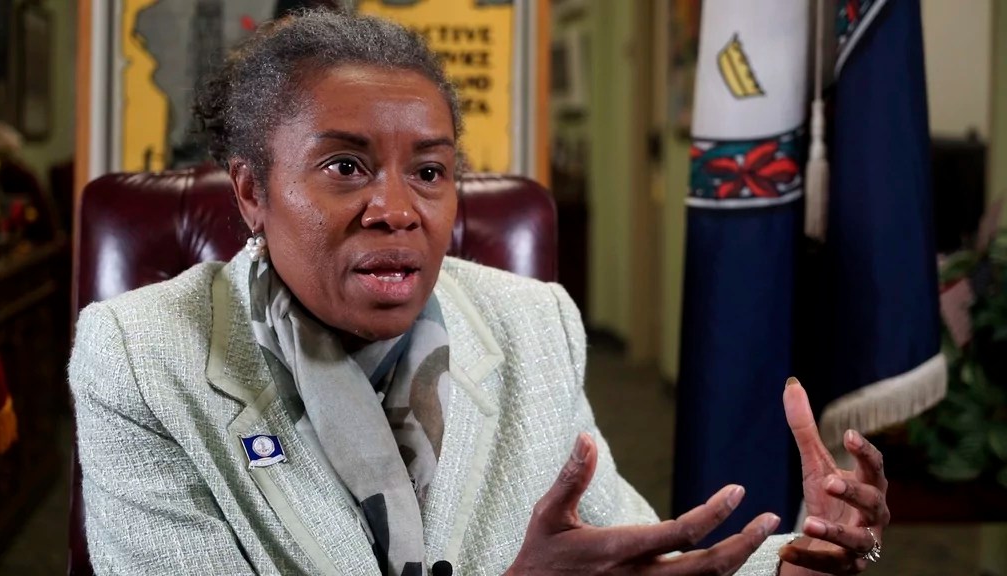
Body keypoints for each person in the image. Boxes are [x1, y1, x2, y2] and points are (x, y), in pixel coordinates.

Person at [69, 8, 889, 576]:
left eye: (429, 172)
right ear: (251, 192)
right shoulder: (141, 356)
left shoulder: (532, 322)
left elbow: (627, 551)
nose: (396, 210)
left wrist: (801, 554)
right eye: (344, 166)